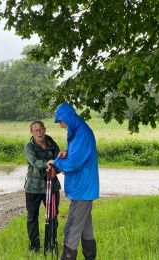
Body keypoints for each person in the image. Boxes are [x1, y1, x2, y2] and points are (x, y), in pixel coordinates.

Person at [47, 103, 99, 260]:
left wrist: (56, 163)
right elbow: (75, 156)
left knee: (71, 229)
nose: (61, 125)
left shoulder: (82, 133)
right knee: (85, 228)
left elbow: (73, 164)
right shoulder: (78, 132)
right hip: (83, 188)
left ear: (68, 117)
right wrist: (65, 155)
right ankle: (90, 257)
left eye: (61, 121)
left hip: (82, 189)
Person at [25, 120, 61, 252]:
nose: (39, 132)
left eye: (41, 129)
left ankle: (50, 245)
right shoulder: (29, 147)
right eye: (36, 130)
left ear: (44, 130)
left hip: (51, 187)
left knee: (52, 216)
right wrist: (48, 164)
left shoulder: (52, 143)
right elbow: (34, 161)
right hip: (33, 188)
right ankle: (34, 247)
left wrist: (57, 166)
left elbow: (59, 160)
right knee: (32, 217)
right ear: (32, 132)